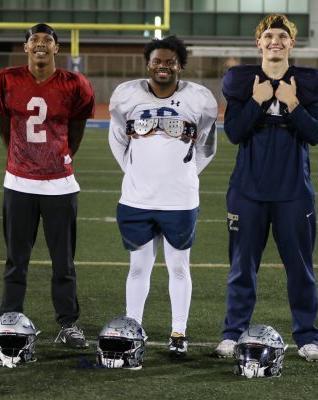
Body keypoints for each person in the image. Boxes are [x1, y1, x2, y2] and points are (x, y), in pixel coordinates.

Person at [214, 13, 318, 362]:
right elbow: (233, 132)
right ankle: (232, 334)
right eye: (269, 36)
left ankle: (307, 337)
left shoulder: (307, 86)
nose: (275, 41)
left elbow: (315, 134)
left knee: (300, 269)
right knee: (241, 268)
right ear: (258, 43)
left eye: (282, 36)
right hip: (248, 190)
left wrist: (292, 104)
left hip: (293, 191)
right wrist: (256, 101)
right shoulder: (242, 83)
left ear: (291, 43)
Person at [109, 35, 218, 358]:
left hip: (180, 202)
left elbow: (207, 147)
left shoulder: (200, 99)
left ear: (179, 65)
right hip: (137, 200)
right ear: (148, 63)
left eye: (170, 61)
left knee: (179, 267)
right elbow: (117, 141)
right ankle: (133, 328)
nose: (163, 66)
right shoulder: (126, 96)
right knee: (138, 267)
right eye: (157, 60)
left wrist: (181, 177)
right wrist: (137, 174)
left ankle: (178, 332)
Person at [0, 23, 95, 348]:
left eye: (47, 40)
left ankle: (68, 323)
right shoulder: (6, 80)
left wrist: (55, 159)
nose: (40, 44)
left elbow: (76, 132)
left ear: (56, 48)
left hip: (59, 185)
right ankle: (10, 319)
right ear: (25, 47)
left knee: (63, 261)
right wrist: (21, 158)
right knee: (16, 259)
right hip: (18, 182)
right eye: (34, 39)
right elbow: (4, 125)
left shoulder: (74, 84)